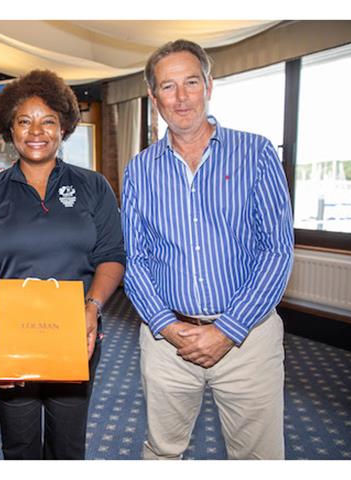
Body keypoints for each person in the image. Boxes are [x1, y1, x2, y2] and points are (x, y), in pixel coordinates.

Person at [121, 39, 294, 460]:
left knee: (259, 458)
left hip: (248, 339)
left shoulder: (256, 153)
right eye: (168, 86)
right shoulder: (139, 170)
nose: (181, 98)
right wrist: (165, 324)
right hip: (167, 342)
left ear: (209, 86)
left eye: (191, 82)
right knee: (162, 452)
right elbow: (136, 259)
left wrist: (227, 330)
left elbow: (277, 250)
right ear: (153, 96)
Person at [0, 69, 125, 460]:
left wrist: (93, 309)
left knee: (68, 447)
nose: (36, 131)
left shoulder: (94, 186)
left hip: (76, 334)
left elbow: (112, 257)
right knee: (19, 447)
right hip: (10, 340)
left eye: (48, 121)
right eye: (24, 121)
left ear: (64, 128)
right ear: (10, 129)